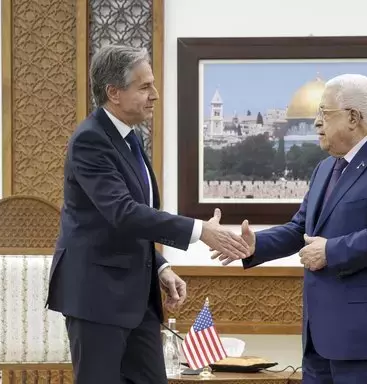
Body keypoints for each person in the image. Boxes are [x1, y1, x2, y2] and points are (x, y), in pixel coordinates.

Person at [45, 44, 249, 384]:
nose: (155, 95)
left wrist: (161, 266)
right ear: (113, 93)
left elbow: (135, 219)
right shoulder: (90, 141)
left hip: (137, 298)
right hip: (97, 298)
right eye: (144, 87)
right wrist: (201, 231)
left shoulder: (129, 137)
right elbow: (123, 214)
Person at [213, 74, 367, 383]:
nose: (316, 122)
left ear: (353, 118)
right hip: (321, 334)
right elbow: (301, 228)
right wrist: (253, 246)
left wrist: (330, 251)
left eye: (324, 113)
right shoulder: (325, 167)